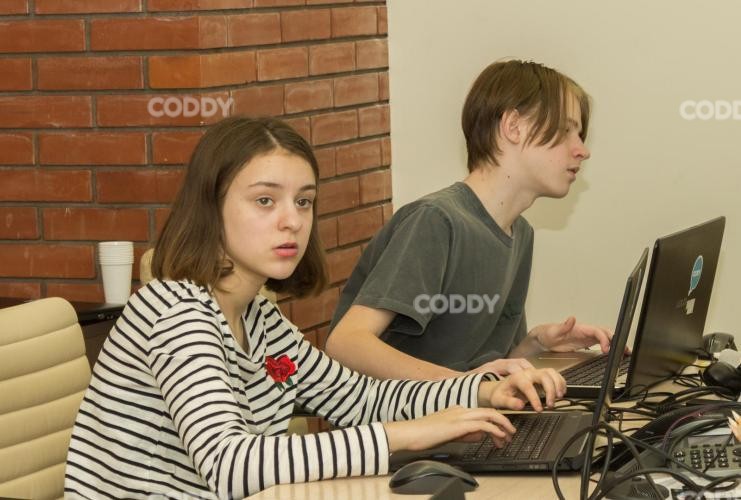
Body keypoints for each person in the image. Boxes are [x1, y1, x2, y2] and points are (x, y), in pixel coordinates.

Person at [64, 116, 566, 499]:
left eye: (303, 201)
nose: (292, 221)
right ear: (211, 207)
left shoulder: (259, 318)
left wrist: (483, 391)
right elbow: (231, 464)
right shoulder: (176, 312)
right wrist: (406, 435)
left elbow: (359, 399)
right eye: (265, 201)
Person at [325, 59, 613, 381]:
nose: (582, 150)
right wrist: (465, 386)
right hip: (398, 414)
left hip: (461, 408)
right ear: (513, 127)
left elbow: (489, 366)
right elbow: (346, 343)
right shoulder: (436, 222)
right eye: (565, 131)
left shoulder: (520, 233)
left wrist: (537, 344)